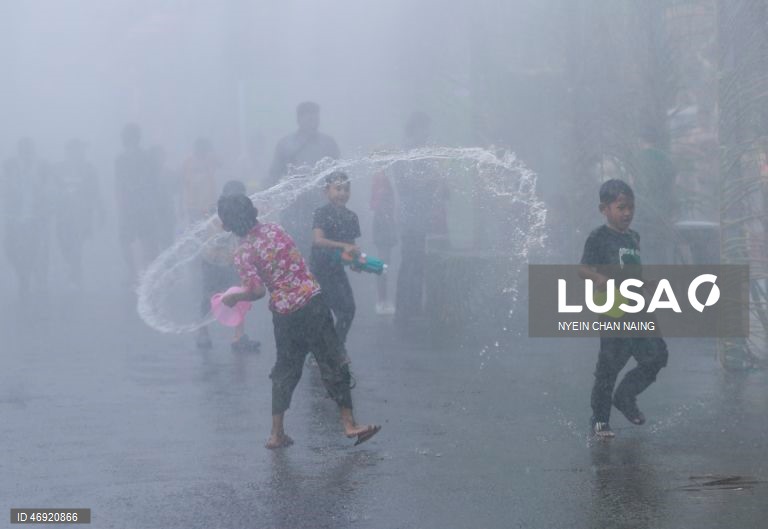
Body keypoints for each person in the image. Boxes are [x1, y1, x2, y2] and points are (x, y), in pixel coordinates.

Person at [217, 193, 380, 449]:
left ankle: (276, 433)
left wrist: (235, 297)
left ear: (225, 225)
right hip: (312, 302)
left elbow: (257, 291)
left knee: (285, 369)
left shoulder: (243, 252)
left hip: (285, 314)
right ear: (255, 211)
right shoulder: (276, 230)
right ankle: (349, 424)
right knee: (332, 360)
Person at [579, 179, 669, 438]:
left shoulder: (633, 237)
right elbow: (582, 269)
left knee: (656, 355)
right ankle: (599, 421)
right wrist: (598, 279)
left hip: (637, 305)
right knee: (609, 365)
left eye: (631, 207)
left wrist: (646, 284)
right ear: (603, 209)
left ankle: (625, 396)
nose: (627, 213)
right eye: (621, 207)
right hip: (613, 308)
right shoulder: (598, 237)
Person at [393, 112, 448, 330]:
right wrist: (433, 179)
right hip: (411, 217)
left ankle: (414, 308)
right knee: (410, 262)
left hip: (425, 216)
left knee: (420, 262)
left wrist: (441, 183)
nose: (426, 133)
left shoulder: (427, 154)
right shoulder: (406, 154)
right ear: (413, 129)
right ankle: (405, 311)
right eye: (423, 128)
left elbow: (440, 187)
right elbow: (407, 184)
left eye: (427, 128)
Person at [268, 101, 340, 258]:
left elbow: (337, 177)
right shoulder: (286, 144)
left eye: (316, 119)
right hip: (294, 209)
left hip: (321, 208)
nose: (313, 123)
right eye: (309, 119)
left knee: (322, 252)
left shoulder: (328, 143)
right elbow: (274, 175)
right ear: (299, 119)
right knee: (296, 252)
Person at [196, 180, 261, 353]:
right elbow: (209, 239)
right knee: (208, 296)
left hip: (232, 260)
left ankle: (239, 336)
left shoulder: (243, 213)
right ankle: (203, 332)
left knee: (239, 294)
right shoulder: (214, 213)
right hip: (212, 261)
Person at [311, 171, 360, 350]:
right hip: (320, 270)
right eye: (337, 189)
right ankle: (327, 352)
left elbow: (351, 247)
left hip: (337, 270)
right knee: (323, 313)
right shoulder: (322, 213)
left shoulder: (352, 217)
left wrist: (356, 262)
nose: (342, 193)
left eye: (346, 189)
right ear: (326, 191)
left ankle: (335, 347)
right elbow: (318, 240)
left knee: (348, 310)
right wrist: (343, 246)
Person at [3, 138, 53, 295]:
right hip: (13, 215)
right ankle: (23, 275)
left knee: (32, 249)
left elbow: (46, 190)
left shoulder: (42, 166)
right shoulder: (9, 165)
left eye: (28, 150)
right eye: (23, 150)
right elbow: (4, 186)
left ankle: (27, 276)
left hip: (35, 216)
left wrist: (45, 209)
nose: (26, 154)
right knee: (9, 249)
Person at [114, 123, 162, 282]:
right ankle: (145, 272)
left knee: (138, 239)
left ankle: (138, 272)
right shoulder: (140, 158)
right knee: (142, 239)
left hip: (137, 205)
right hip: (140, 205)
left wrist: (122, 204)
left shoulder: (127, 159)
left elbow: (120, 185)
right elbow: (154, 183)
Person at [54, 139, 104, 287]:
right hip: (62, 214)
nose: (79, 153)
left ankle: (75, 269)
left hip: (82, 213)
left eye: (80, 150)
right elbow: (51, 190)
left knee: (77, 242)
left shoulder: (89, 169)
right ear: (68, 152)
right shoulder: (58, 168)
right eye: (75, 150)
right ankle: (73, 265)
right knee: (63, 243)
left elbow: (96, 191)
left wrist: (101, 210)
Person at [370, 169, 397, 314]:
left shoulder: (381, 177)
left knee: (384, 263)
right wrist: (388, 223)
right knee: (383, 263)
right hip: (383, 225)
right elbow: (378, 204)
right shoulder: (381, 177)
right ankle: (382, 301)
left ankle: (382, 300)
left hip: (383, 223)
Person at [181, 137, 220, 226]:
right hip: (194, 205)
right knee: (197, 230)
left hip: (210, 203)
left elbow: (222, 164)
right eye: (202, 148)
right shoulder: (188, 162)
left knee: (211, 230)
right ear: (196, 148)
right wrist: (182, 206)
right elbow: (185, 183)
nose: (204, 151)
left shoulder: (211, 159)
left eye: (206, 149)